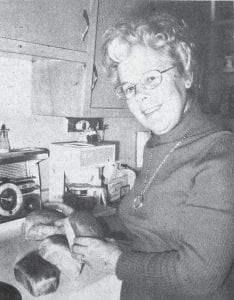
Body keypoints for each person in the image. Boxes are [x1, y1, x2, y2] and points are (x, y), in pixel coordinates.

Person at [71, 12, 234, 299]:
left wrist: (115, 261)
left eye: (151, 78)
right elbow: (146, 224)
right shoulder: (159, 143)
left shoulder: (219, 155)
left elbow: (201, 276)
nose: (140, 96)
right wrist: (79, 220)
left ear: (186, 73)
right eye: (130, 87)